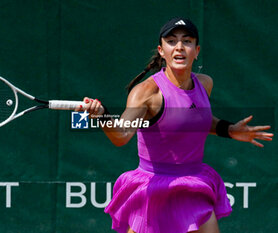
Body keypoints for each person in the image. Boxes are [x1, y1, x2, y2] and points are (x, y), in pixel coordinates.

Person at [76, 17, 273, 233]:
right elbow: (121, 135)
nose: (179, 47)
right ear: (161, 51)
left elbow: (191, 120)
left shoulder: (204, 84)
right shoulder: (146, 93)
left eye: (187, 41)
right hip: (154, 189)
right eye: (171, 41)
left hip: (193, 185)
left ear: (196, 50)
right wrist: (102, 115)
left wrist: (229, 129)